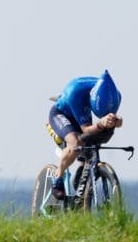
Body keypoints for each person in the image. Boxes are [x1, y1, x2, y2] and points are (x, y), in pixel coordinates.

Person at [46, 70, 123, 200]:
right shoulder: (75, 92)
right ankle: (58, 177)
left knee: (91, 146)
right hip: (61, 114)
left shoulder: (115, 95)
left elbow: (110, 123)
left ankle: (82, 171)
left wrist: (117, 122)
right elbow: (87, 129)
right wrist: (101, 124)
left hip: (80, 114)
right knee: (75, 144)